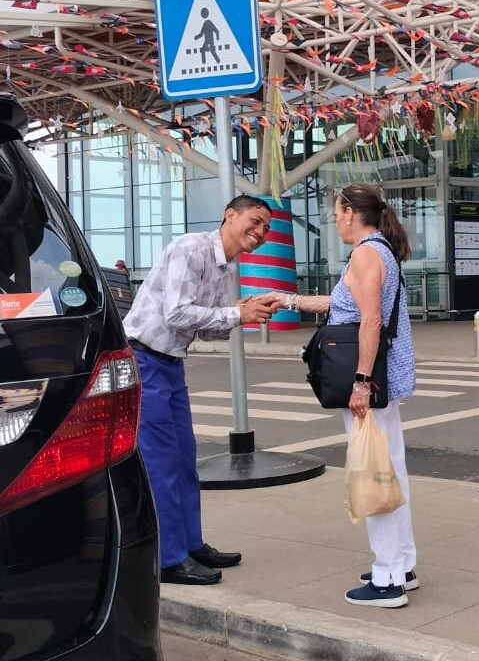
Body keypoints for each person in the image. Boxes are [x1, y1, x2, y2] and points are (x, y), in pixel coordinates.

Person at [124, 195, 281, 585]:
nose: (260, 233)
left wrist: (241, 311)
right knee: (161, 464)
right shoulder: (190, 248)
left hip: (170, 363)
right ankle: (169, 559)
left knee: (183, 460)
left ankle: (191, 545)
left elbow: (205, 327)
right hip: (144, 360)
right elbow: (175, 313)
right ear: (230, 214)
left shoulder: (227, 266)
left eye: (266, 228)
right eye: (255, 221)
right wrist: (235, 313)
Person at [279, 183, 416, 608]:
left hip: (369, 382)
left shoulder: (365, 254)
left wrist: (360, 383)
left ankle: (387, 577)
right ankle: (404, 566)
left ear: (351, 213)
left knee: (375, 473)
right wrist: (291, 299)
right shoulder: (379, 251)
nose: (334, 220)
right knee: (391, 467)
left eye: (336, 212)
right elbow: (347, 306)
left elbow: (370, 321)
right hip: (384, 380)